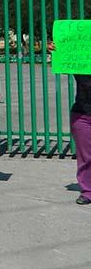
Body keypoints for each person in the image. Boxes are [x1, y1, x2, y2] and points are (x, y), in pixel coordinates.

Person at [48, 41, 90, 205]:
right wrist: (56, 51)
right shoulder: (81, 59)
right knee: (86, 157)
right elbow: (64, 63)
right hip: (83, 114)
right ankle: (88, 191)